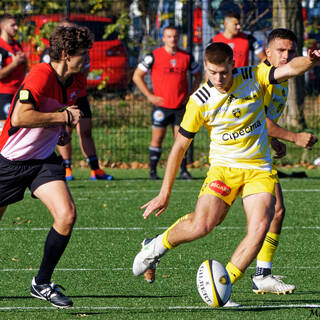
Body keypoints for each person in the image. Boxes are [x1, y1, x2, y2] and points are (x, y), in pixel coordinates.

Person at [132, 42, 320, 306]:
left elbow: (289, 69)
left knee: (259, 227)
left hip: (258, 169)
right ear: (206, 68)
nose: (218, 79)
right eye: (212, 72)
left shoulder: (252, 76)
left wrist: (310, 60)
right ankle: (155, 247)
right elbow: (178, 148)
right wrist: (164, 194)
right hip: (223, 170)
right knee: (203, 225)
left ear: (233, 64)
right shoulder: (199, 101)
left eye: (223, 72)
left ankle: (223, 286)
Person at [0, 25, 93, 308]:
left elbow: (57, 118)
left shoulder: (77, 81)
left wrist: (60, 127)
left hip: (43, 161)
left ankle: (41, 282)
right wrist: (61, 117)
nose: (86, 60)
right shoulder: (41, 74)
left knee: (66, 215)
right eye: (81, 54)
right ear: (65, 54)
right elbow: (20, 117)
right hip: (10, 160)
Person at [251, 28, 318, 295]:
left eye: (290, 51)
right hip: (240, 156)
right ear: (267, 52)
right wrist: (293, 137)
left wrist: (273, 139)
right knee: (206, 221)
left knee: (275, 211)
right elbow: (257, 120)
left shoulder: (283, 76)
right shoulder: (260, 78)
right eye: (280, 50)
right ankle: (156, 247)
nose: (286, 55)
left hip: (257, 152)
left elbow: (263, 120)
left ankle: (262, 273)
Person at [40, 19, 113, 181]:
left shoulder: (81, 54)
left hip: (78, 95)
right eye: (65, 29)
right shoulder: (48, 57)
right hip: (60, 97)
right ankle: (66, 168)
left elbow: (84, 72)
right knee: (63, 131)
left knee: (85, 130)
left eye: (72, 29)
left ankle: (95, 169)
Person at [132, 25, 202, 180]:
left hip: (181, 106)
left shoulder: (187, 57)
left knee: (181, 140)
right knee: (157, 139)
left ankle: (183, 170)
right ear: (163, 38)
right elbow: (137, 76)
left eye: (175, 36)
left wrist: (192, 94)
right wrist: (150, 96)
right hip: (161, 106)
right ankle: (153, 171)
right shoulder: (153, 56)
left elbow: (198, 74)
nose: (173, 39)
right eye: (169, 36)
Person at [0, 14, 27, 131]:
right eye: (13, 25)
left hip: (19, 93)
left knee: (19, 129)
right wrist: (14, 63)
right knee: (4, 130)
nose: (16, 28)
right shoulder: (1, 47)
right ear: (3, 26)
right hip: (4, 95)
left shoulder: (17, 45)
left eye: (16, 25)